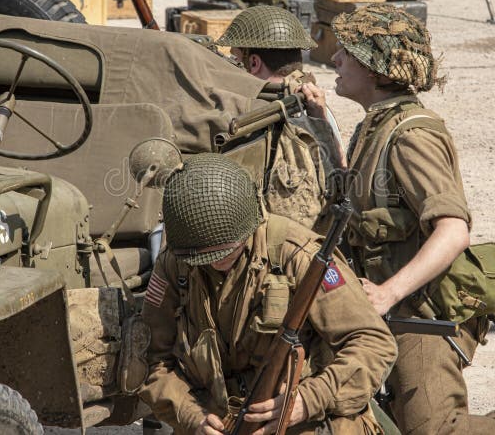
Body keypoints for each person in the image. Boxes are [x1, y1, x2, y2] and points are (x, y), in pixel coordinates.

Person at [314, 3, 495, 435]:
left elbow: (453, 231)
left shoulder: (412, 135)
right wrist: (320, 119)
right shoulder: (374, 126)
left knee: (433, 431)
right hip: (398, 311)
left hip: (424, 316)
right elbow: (355, 201)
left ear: (377, 69)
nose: (334, 59)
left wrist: (384, 293)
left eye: (347, 52)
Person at [139, 153, 396, 435]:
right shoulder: (175, 262)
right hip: (216, 421)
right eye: (202, 257)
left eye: (226, 250)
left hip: (305, 417)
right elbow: (154, 360)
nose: (215, 262)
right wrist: (191, 416)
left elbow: (374, 343)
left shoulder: (298, 256)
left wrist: (309, 400)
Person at [216, 5, 346, 172]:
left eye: (235, 57)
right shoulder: (315, 103)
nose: (233, 65)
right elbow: (340, 166)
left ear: (254, 63)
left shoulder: (257, 111)